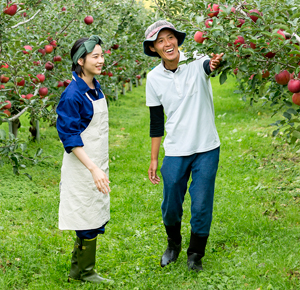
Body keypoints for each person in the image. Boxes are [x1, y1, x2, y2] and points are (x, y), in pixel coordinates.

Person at [143, 20, 224, 271]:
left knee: (201, 204)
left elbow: (207, 66)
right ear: (154, 48)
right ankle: (173, 244)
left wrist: (212, 64)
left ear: (177, 39)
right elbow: (156, 123)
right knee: (170, 205)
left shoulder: (196, 60)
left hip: (206, 147)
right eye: (160, 41)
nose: (168, 44)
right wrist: (155, 159)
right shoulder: (153, 78)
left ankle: (195, 254)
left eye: (170, 37)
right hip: (176, 150)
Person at [56, 35, 112, 283]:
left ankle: (78, 271)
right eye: (96, 56)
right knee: (86, 217)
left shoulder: (94, 87)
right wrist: (93, 169)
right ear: (81, 60)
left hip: (97, 164)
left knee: (95, 216)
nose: (102, 60)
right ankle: (86, 272)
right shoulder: (73, 95)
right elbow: (68, 136)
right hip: (83, 167)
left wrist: (98, 167)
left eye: (102, 55)